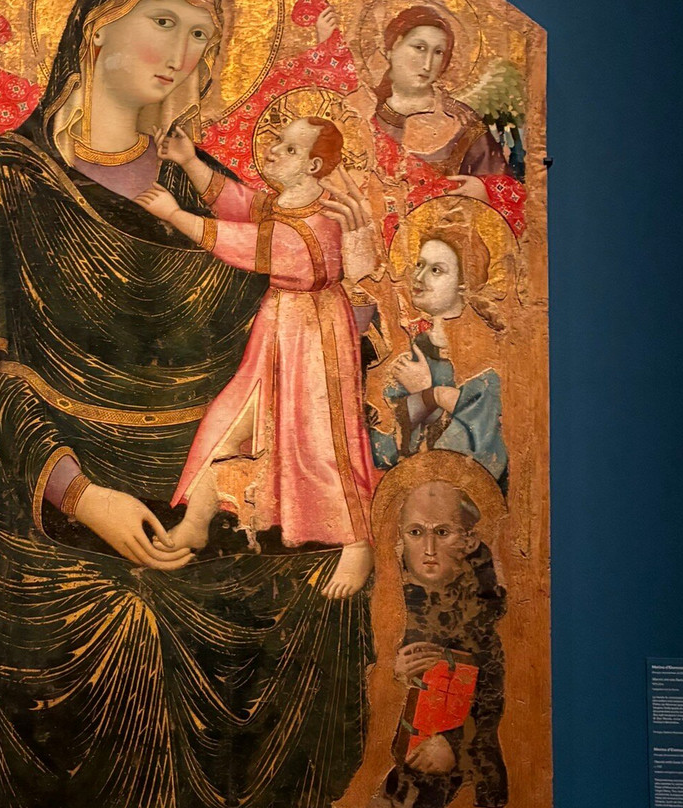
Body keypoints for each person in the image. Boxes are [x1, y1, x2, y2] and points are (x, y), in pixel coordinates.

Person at [0, 0, 375, 804]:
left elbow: (294, 342)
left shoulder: (206, 189)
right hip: (44, 511)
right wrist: (82, 495)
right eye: (165, 21)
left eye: (202, 36)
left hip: (207, 487)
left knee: (318, 591)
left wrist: (353, 278)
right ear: (97, 24)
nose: (184, 52)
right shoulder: (0, 182)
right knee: (131, 625)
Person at [135, 116, 376, 598]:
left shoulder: (319, 219)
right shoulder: (288, 202)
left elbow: (248, 244)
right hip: (277, 330)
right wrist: (189, 161)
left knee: (323, 438)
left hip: (316, 338)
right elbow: (243, 205)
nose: (272, 150)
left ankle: (357, 542)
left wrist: (174, 214)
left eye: (288, 148)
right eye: (277, 142)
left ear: (313, 167)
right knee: (229, 418)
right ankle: (197, 522)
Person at [377, 466, 507, 808]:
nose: (429, 548)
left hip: (459, 773)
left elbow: (492, 701)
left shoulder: (487, 613)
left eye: (443, 532)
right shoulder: (382, 608)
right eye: (416, 532)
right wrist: (391, 676)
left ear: (469, 540)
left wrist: (453, 744)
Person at [372, 207, 508, 491]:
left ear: (463, 285)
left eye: (436, 270)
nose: (419, 277)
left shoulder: (486, 353)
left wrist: (430, 393)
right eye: (419, 265)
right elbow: (387, 447)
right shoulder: (419, 348)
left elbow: (477, 452)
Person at [366, 5, 526, 243]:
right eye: (419, 48)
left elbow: (509, 191)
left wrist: (484, 192)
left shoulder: (463, 122)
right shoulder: (361, 112)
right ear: (392, 46)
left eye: (438, 52)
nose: (427, 63)